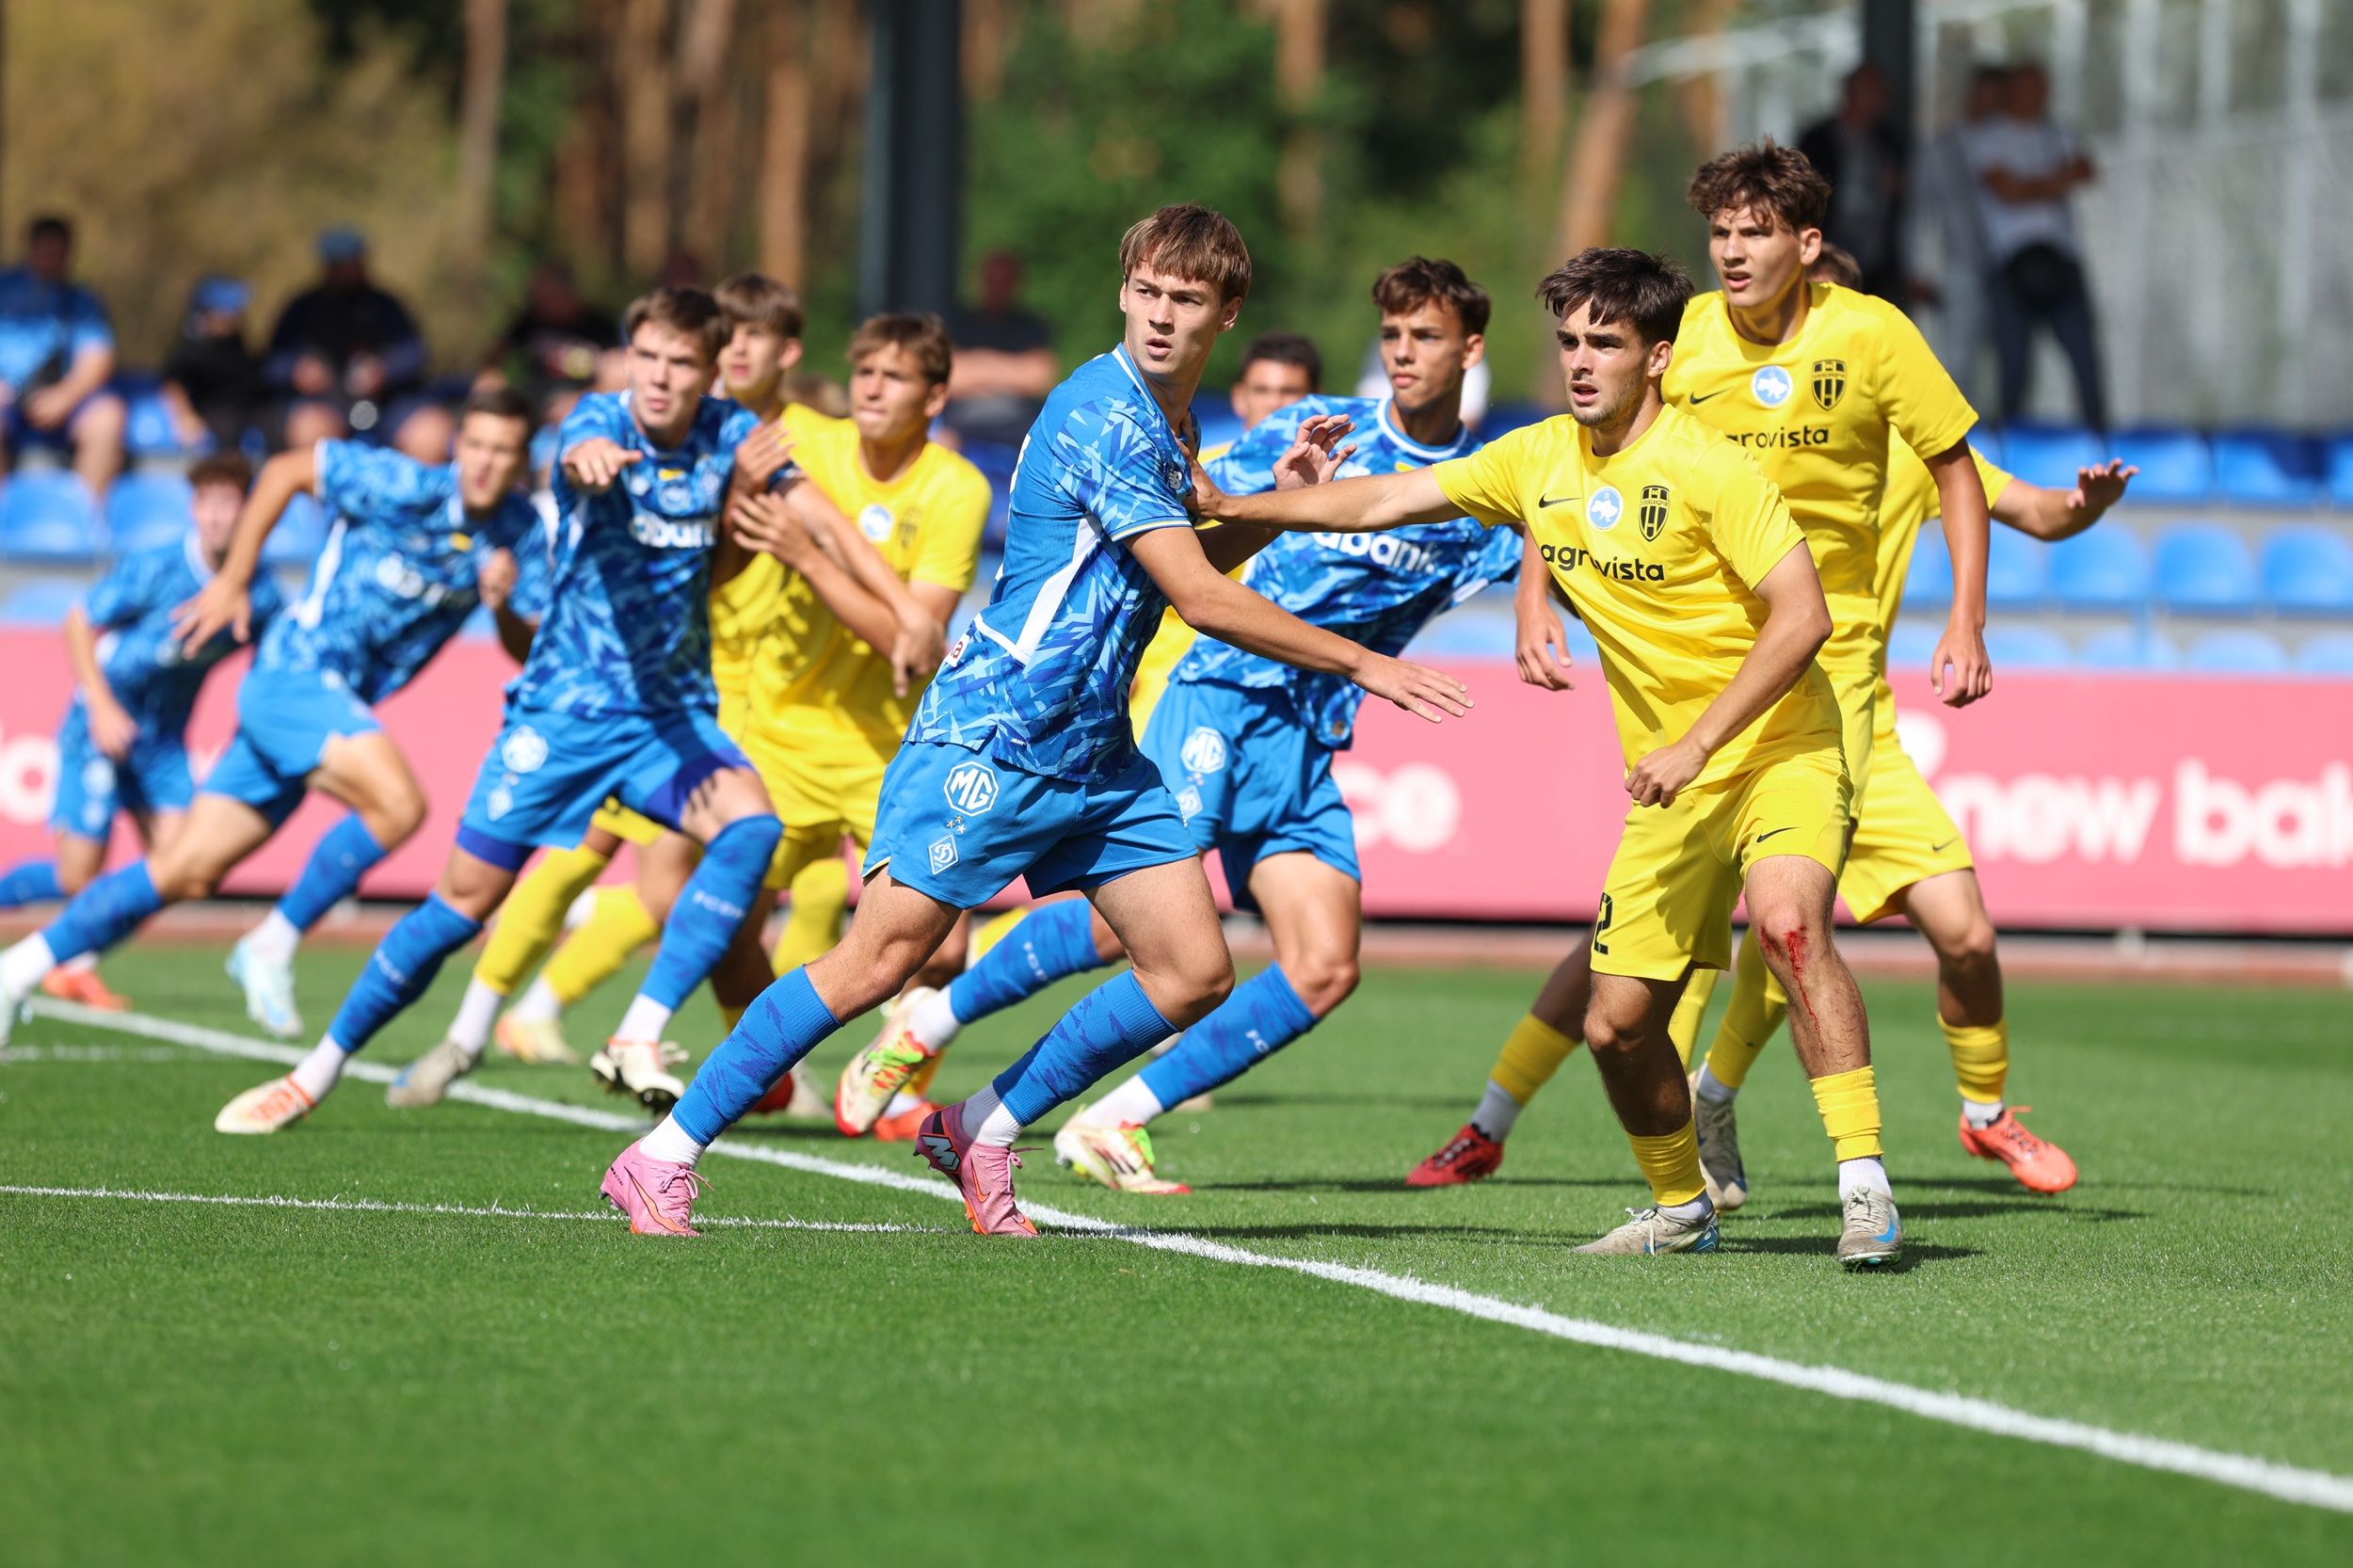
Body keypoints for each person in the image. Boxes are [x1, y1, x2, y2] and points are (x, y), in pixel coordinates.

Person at [594, 203, 1469, 1239]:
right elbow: (1197, 598)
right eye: (1144, 290)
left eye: (1184, 300)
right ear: (1120, 292)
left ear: (1227, 313)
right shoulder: (1103, 409)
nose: (1157, 315)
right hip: (996, 732)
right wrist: (1366, 661)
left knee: (1191, 972)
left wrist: (1264, 501)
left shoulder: (1171, 421)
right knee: (880, 960)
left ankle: (982, 1125)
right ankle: (662, 1153)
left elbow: (1182, 566)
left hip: (1094, 747)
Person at [1207, 246, 1903, 1262]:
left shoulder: (1714, 466)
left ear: (1657, 357)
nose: (1580, 361)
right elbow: (1382, 501)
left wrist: (1703, 737)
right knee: (1616, 1028)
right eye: (1569, 340)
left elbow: (1801, 619)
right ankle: (1679, 1207)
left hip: (1779, 748)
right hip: (1673, 787)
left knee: (1793, 926)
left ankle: (1864, 1188)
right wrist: (1235, 503)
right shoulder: (1537, 457)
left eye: (1605, 344)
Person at [1412, 244, 2121, 1205]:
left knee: (1943, 934)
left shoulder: (1904, 444)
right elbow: (1572, 477)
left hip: (1847, 717)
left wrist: (2079, 509)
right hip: (1731, 707)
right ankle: (1498, 1121)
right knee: (1663, 960)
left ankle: (1972, 1113)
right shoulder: (1710, 410)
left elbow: (2024, 507)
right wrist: (1533, 596)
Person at [834, 259, 1517, 1194]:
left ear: (1471, 351)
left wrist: (1537, 611)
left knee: (1322, 965)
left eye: (1425, 337)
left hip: (1309, 733)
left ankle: (1115, 1119)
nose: (1403, 354)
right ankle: (929, 1024)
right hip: (1222, 693)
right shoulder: (1319, 430)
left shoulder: (1483, 493)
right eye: (1391, 336)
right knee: (1131, 931)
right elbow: (1191, 500)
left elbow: (1551, 521)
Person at [204, 288, 937, 1134]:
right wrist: (586, 459)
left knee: (750, 825)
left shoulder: (730, 436)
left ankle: (638, 1031)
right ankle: (315, 1071)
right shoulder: (600, 422)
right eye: (648, 358)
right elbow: (582, 447)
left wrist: (909, 610)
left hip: (666, 715)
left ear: (709, 374)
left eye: (682, 363)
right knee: (459, 906)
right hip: (563, 716)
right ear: (630, 359)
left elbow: (824, 518)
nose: (660, 378)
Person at [0, 392, 539, 1057]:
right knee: (400, 806)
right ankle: (273, 940)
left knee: (183, 872)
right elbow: (286, 470)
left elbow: (523, 646)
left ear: (522, 461)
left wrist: (505, 602)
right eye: (476, 445)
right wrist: (234, 578)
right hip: (298, 670)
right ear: (459, 444)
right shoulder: (403, 483)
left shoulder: (519, 535)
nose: (485, 462)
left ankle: (15, 970)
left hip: (332, 699)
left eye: (503, 451)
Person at [436, 276, 853, 1090]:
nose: (734, 353)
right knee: (591, 860)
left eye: (749, 339)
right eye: (721, 340)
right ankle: (485, 1022)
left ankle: (750, 1065)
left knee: (775, 885)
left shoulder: (793, 440)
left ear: (787, 351)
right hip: (666, 692)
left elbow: (810, 530)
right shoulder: (678, 429)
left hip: (756, 695)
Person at [0, 456, 285, 1011]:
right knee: (77, 873)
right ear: (193, 509)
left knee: (182, 870)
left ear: (250, 511)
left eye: (229, 503)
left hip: (163, 744)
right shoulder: (158, 566)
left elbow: (274, 661)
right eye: (208, 503)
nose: (218, 517)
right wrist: (103, 705)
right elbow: (79, 622)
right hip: (101, 724)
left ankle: (74, 965)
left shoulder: (261, 589)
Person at [1971, 62, 2105, 429]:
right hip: (2012, 263)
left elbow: (2087, 171)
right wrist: (2056, 182)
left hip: (2061, 259)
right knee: (2015, 363)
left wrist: (2033, 185)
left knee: (2085, 357)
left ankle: (2098, 435)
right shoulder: (1989, 137)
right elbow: (2007, 191)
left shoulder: (2058, 131)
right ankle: (2010, 440)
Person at [264, 228, 449, 461]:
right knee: (309, 431)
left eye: (353, 263)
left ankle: (415, 496)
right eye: (340, 265)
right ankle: (321, 497)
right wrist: (297, 371)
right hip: (325, 401)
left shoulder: (387, 305)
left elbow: (416, 353)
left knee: (432, 433)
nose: (348, 271)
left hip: (390, 402)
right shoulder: (302, 308)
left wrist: (384, 370)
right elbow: (271, 362)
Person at [0, 216, 125, 499]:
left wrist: (66, 396)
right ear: (30, 247)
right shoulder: (4, 289)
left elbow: (98, 356)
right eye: (45, 249)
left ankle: (86, 526)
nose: (51, 258)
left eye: (58, 251)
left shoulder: (82, 299)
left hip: (66, 401)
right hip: (6, 399)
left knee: (108, 417)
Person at [1798, 64, 1907, 300]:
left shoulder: (1889, 141)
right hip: (1828, 257)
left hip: (1877, 262)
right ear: (1852, 94)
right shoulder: (1819, 140)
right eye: (1875, 92)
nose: (1883, 100)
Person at [479, 261, 625, 425]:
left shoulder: (601, 327)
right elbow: (496, 350)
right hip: (535, 401)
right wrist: (491, 374)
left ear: (568, 292)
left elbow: (620, 377)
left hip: (582, 405)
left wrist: (581, 398)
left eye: (548, 295)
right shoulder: (530, 321)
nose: (538, 302)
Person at [940, 249, 1060, 447]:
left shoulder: (1031, 327)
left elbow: (1041, 377)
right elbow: (948, 378)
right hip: (961, 426)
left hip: (1019, 426)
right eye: (993, 279)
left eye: (1004, 279)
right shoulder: (958, 324)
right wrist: (1013, 370)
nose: (998, 286)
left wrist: (976, 363)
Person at [161, 277, 269, 456]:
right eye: (228, 311)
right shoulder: (194, 348)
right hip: (216, 412)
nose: (234, 317)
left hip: (248, 408)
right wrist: (184, 416)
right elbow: (173, 383)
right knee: (228, 429)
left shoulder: (236, 343)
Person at [1227, 331, 1321, 431]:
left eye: (1289, 392)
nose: (1274, 404)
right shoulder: (1213, 447)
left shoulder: (1338, 446)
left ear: (1317, 400)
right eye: (1261, 391)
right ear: (1238, 398)